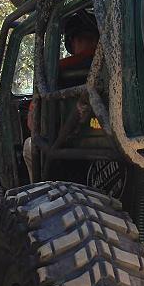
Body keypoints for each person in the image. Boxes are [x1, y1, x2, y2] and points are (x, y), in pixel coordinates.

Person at [24, 12, 100, 180]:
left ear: (72, 42)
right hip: (111, 142)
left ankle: (40, 192)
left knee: (29, 146)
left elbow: (33, 122)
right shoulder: (119, 63)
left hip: (65, 147)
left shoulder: (54, 70)